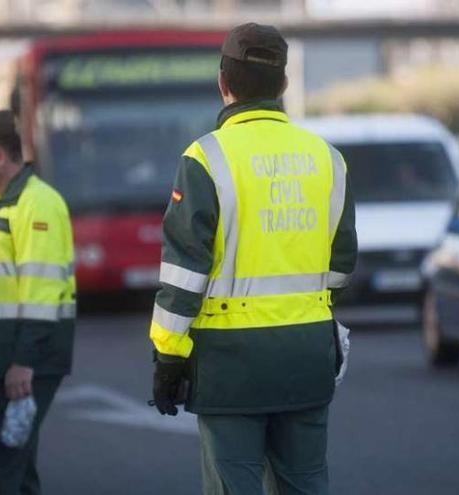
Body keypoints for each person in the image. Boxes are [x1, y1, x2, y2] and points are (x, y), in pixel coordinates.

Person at [149, 22, 357, 495]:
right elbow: (342, 264)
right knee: (306, 484)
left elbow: (184, 275)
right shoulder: (327, 158)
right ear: (283, 84)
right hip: (307, 353)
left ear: (223, 82)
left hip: (230, 364)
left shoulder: (205, 158)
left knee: (234, 484)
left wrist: (168, 358)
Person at [0, 110, 76, 495]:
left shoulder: (36, 204)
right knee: (14, 473)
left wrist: (24, 362)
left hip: (20, 363)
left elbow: (41, 295)